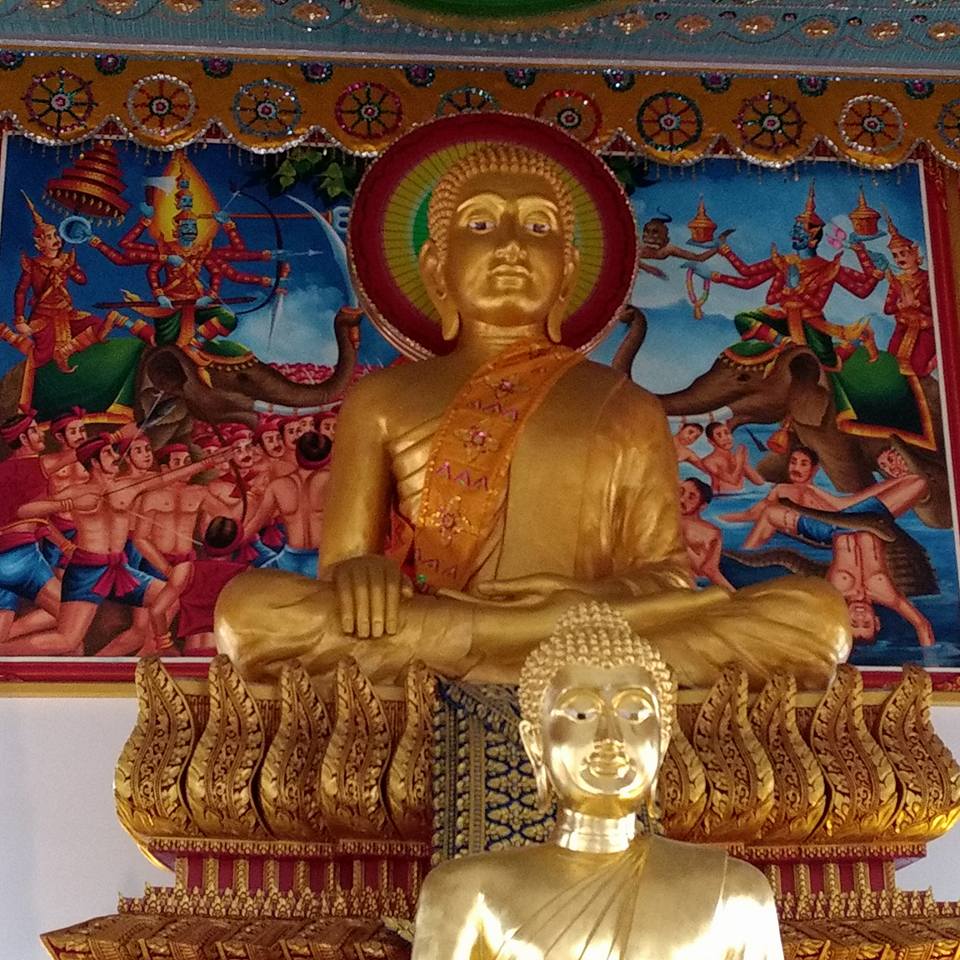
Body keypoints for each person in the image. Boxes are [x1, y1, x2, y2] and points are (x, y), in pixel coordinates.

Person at [215, 113, 850, 690]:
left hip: (572, 629)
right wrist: (361, 573)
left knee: (816, 617)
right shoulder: (382, 398)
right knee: (249, 612)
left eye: (538, 226)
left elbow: (665, 575)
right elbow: (345, 566)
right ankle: (534, 655)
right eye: (481, 223)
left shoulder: (627, 405)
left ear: (568, 271)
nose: (512, 244)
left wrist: (580, 606)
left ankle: (505, 653)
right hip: (466, 625)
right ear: (436, 267)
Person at [412, 602, 783, 960]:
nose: (610, 737)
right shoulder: (467, 893)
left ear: (662, 741)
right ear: (536, 743)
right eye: (580, 713)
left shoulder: (735, 896)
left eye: (634, 713)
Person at [1, 435, 234, 656]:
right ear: (94, 462)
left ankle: (159, 647)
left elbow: (166, 478)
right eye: (107, 453)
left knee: (169, 597)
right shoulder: (77, 491)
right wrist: (69, 503)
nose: (115, 457)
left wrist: (210, 462)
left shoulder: (128, 487)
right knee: (68, 640)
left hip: (118, 570)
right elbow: (24, 510)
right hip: (87, 571)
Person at [240, 431, 332, 578]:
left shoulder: (278, 486)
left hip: (291, 560)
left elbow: (253, 526)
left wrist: (225, 546)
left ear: (297, 453)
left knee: (248, 582)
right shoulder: (332, 482)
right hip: (317, 560)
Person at [882, 214, 936, 378]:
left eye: (903, 253)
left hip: (925, 329)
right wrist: (899, 306)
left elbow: (937, 309)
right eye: (895, 255)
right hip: (903, 327)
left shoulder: (927, 278)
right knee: (891, 365)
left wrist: (919, 305)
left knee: (917, 368)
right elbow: (887, 308)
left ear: (914, 253)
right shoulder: (897, 281)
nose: (899, 259)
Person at [679, 478, 733, 591]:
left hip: (697, 584)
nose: (682, 499)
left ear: (702, 506)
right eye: (680, 492)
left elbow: (709, 569)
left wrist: (734, 595)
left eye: (691, 497)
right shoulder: (666, 521)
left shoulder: (712, 532)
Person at [700, 420, 765, 493]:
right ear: (711, 442)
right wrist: (740, 462)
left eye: (727, 433)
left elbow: (759, 482)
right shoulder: (709, 461)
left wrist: (744, 462)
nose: (726, 438)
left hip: (741, 494)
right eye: (719, 435)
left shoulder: (737, 457)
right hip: (722, 497)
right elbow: (733, 481)